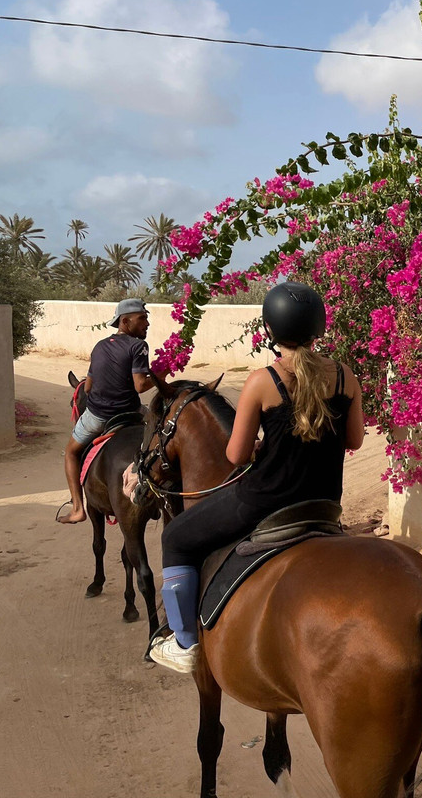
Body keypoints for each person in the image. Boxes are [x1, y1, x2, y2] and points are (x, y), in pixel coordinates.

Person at [150, 281, 365, 674]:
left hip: (265, 501)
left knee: (175, 538)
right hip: (324, 503)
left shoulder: (263, 380)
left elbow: (234, 455)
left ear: (270, 331)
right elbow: (354, 439)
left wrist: (260, 445)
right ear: (318, 328)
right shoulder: (345, 377)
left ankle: (185, 643)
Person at [57, 299, 156, 524]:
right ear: (125, 321)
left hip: (97, 417)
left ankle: (77, 508)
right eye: (142, 318)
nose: (147, 323)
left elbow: (89, 387)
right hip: (131, 413)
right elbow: (140, 385)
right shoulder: (138, 346)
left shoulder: (99, 346)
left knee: (71, 452)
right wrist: (162, 373)